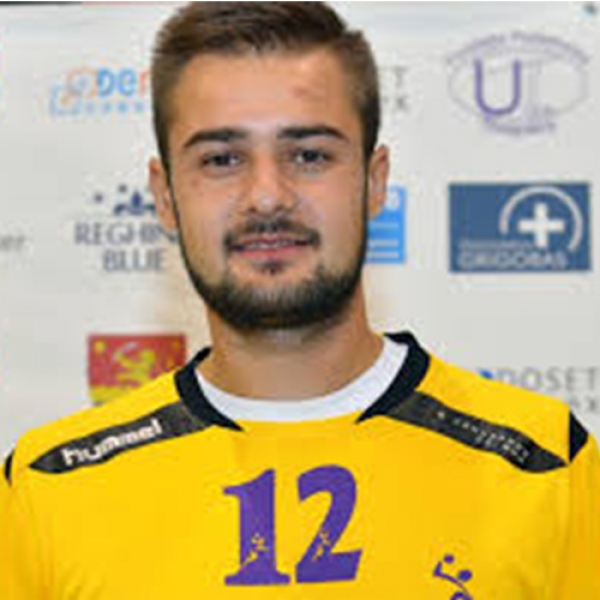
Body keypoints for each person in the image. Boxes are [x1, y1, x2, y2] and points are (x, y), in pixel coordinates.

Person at [1, 3, 599, 599]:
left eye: (309, 154)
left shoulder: (545, 467)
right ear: (164, 196)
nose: (266, 196)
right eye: (221, 159)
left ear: (374, 180)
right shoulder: (48, 489)